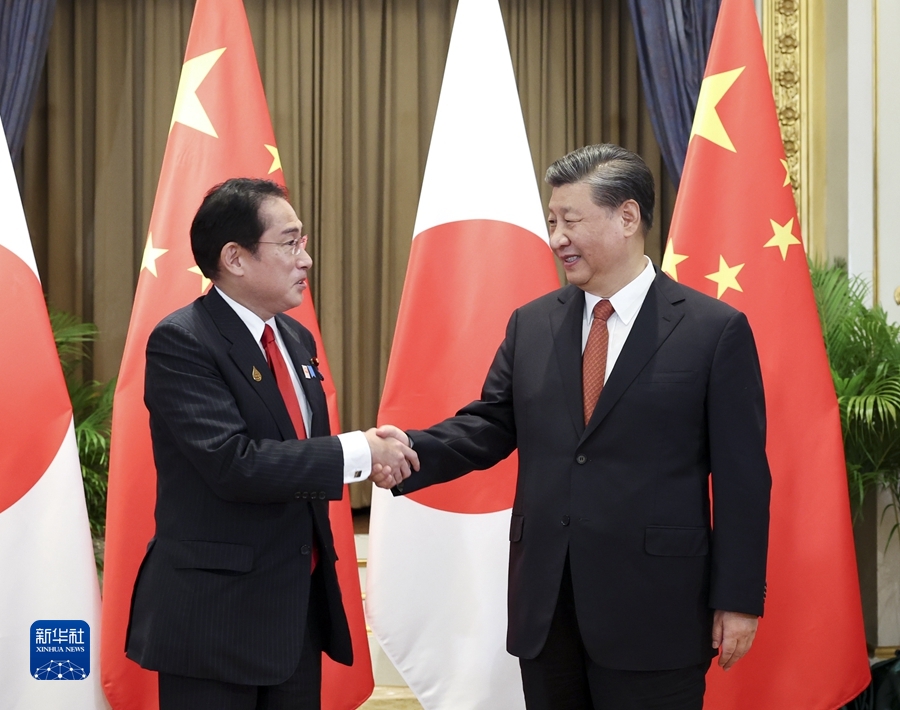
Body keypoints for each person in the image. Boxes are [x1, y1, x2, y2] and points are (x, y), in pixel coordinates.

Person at [377, 144, 771, 710]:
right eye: (551, 221)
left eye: (570, 221)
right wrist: (404, 452)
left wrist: (738, 599)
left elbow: (742, 480)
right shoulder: (532, 323)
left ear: (627, 217)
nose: (557, 237)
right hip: (548, 608)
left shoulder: (713, 330)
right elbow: (489, 425)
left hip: (656, 612)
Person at [125, 178, 416, 709]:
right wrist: (358, 452)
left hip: (294, 611)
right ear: (235, 258)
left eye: (302, 241)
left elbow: (297, 450)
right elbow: (233, 463)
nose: (306, 258)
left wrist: (368, 457)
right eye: (289, 243)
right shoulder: (183, 340)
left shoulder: (295, 339)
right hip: (214, 621)